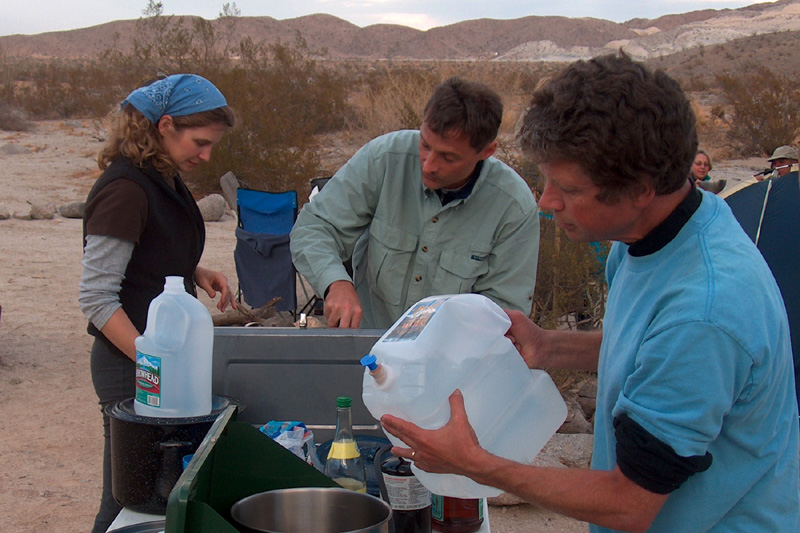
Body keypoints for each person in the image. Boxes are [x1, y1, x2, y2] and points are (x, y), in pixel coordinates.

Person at [380, 53, 800, 532]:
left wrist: (474, 463)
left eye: (568, 189)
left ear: (640, 188)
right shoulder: (652, 234)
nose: (546, 201)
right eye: (546, 180)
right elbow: (648, 345)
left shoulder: (705, 310)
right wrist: (549, 345)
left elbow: (630, 504)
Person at [79, 74, 236, 533]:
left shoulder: (160, 175)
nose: (206, 156)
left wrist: (194, 271)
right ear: (165, 125)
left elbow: (146, 251)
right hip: (129, 366)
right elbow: (96, 296)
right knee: (127, 500)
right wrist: (153, 364)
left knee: (152, 495)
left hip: (158, 362)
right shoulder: (126, 189)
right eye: (200, 142)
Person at [290, 77, 539, 329]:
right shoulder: (384, 159)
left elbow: (503, 313)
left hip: (450, 360)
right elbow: (314, 227)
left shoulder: (513, 208)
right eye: (425, 145)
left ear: (487, 151)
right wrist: (336, 283)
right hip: (368, 348)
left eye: (448, 157)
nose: (429, 165)